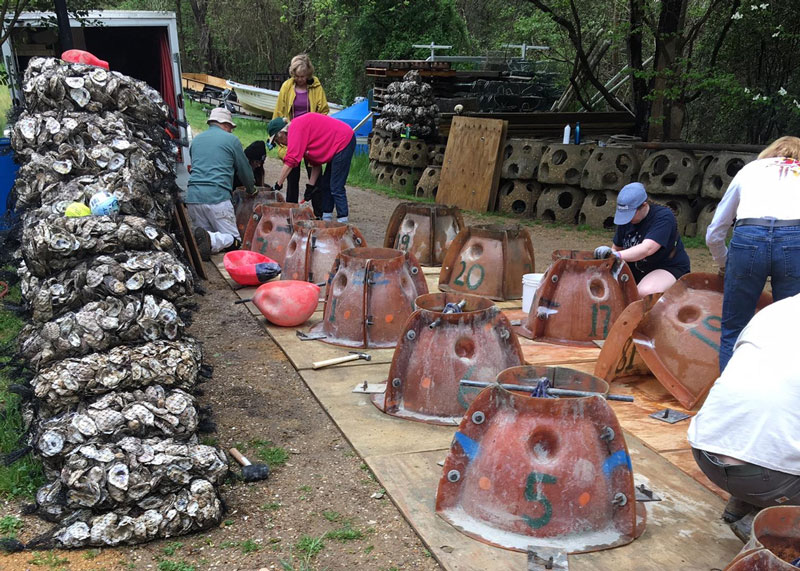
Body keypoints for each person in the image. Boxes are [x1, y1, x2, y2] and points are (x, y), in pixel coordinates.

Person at [687, 293, 800, 542]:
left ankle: (741, 504)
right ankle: (767, 526)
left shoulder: (777, 309)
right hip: (768, 479)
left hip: (705, 452)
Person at [705, 136, 800, 373]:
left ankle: (730, 389)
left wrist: (725, 263)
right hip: (794, 237)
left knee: (734, 328)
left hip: (748, 236)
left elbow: (715, 231)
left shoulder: (750, 170)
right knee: (791, 328)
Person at [593, 182, 690, 297]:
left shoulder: (663, 217)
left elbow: (647, 249)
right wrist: (608, 256)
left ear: (644, 206)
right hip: (637, 268)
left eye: (630, 214)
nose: (627, 219)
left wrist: (615, 255)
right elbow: (617, 247)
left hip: (666, 266)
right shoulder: (626, 221)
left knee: (644, 292)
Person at [185, 107, 255, 260]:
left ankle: (210, 240)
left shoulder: (196, 141)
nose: (231, 131)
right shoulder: (231, 140)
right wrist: (251, 189)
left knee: (204, 239)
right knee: (234, 241)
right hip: (217, 198)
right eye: (231, 127)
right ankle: (212, 239)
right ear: (225, 124)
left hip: (193, 198)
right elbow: (244, 170)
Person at [267, 113, 355, 223]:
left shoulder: (295, 129)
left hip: (344, 140)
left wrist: (278, 184)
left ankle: (343, 221)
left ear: (281, 134)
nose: (281, 144)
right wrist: (310, 187)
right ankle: (326, 220)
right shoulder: (300, 133)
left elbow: (291, 160)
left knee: (336, 186)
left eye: (278, 141)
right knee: (325, 184)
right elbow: (315, 163)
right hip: (338, 141)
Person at [273, 54, 330, 205]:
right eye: (297, 76)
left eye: (303, 76)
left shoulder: (316, 87)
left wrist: (317, 129)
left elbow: (324, 111)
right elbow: (279, 111)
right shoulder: (287, 86)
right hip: (293, 135)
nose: (300, 79)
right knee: (292, 174)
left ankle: (319, 211)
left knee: (315, 174)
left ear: (308, 74)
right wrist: (276, 134)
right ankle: (291, 207)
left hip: (311, 136)